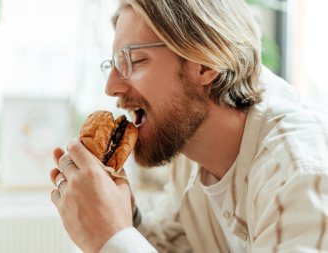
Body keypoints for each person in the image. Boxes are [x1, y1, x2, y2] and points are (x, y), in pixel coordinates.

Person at [49, 0, 328, 252]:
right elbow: (174, 244)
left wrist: (112, 236)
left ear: (206, 64)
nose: (111, 87)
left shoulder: (298, 172)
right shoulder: (191, 148)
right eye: (113, 65)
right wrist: (121, 215)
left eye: (134, 61)